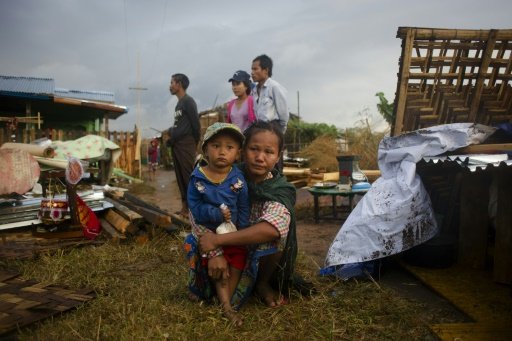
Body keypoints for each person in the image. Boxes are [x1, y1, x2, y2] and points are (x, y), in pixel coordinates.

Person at [184, 121, 301, 324]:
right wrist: (214, 251)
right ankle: (204, 285)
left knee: (277, 237)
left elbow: (272, 228)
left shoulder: (280, 188)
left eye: (269, 152)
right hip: (218, 248)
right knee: (192, 243)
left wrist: (219, 242)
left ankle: (262, 283)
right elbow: (196, 212)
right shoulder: (222, 174)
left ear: (278, 156)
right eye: (254, 149)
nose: (260, 157)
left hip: (253, 254)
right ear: (242, 150)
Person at [187, 122, 250, 326]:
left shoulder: (238, 178)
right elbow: (195, 207)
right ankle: (226, 306)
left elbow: (243, 205)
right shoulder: (198, 178)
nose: (222, 152)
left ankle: (225, 299)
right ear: (205, 150)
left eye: (229, 147)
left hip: (232, 231)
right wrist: (215, 214)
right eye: (216, 146)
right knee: (213, 264)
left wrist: (241, 230)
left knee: (238, 260)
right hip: (207, 231)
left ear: (238, 154)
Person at [167, 73, 200, 218]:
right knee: (180, 177)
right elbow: (179, 126)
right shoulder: (179, 104)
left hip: (186, 144)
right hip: (177, 145)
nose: (170, 85)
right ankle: (184, 208)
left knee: (188, 176)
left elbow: (195, 125)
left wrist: (195, 143)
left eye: (172, 82)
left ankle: (194, 210)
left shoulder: (188, 101)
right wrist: (172, 136)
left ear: (179, 84)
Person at [250, 54, 289, 133]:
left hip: (273, 131)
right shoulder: (254, 90)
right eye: (252, 70)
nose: (252, 73)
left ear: (266, 70)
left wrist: (279, 134)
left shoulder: (274, 87)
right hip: (260, 131)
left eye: (255, 69)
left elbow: (284, 115)